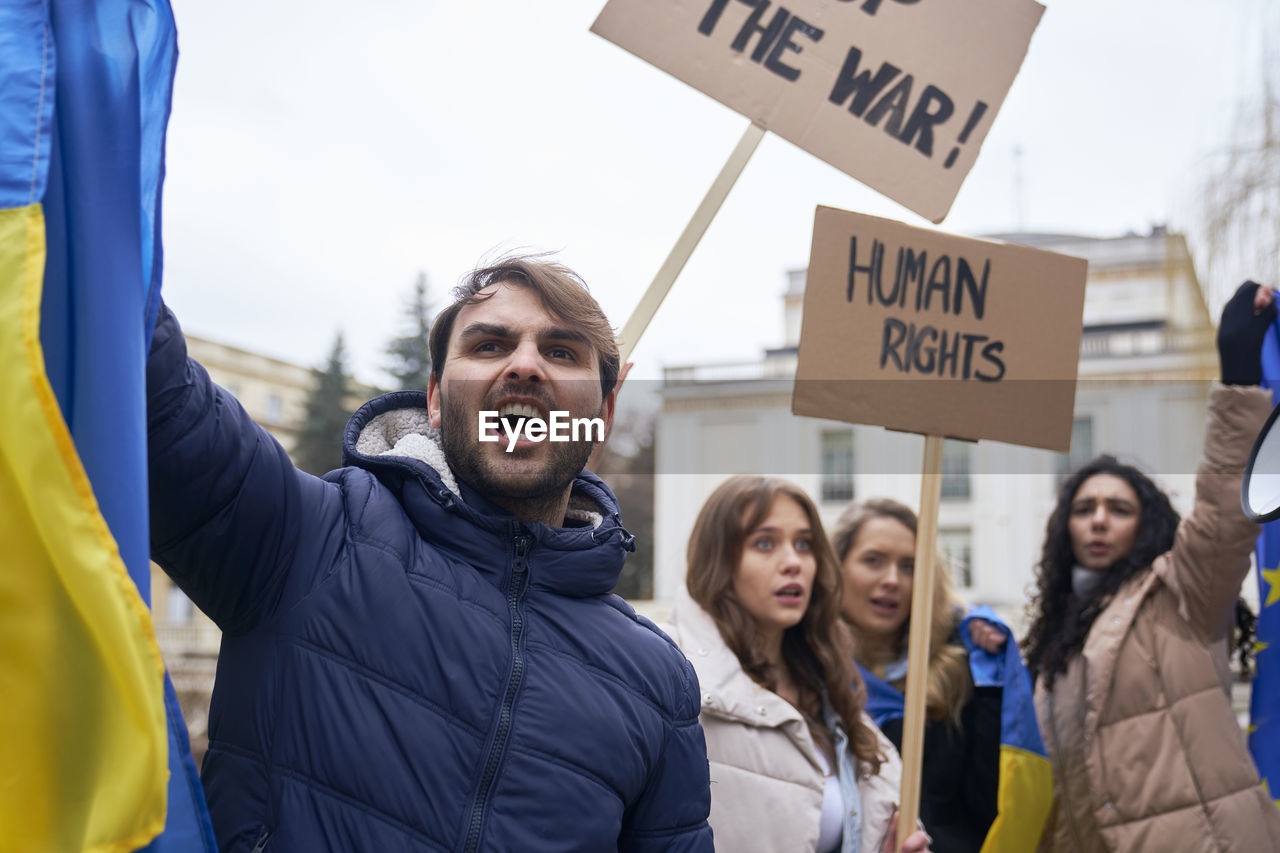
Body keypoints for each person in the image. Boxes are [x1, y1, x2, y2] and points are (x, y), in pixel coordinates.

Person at [147, 255, 713, 851]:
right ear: (438, 400)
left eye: (562, 352)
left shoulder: (656, 682)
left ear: (604, 414)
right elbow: (153, 393)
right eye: (490, 346)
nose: (525, 365)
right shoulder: (306, 538)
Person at [1022, 280, 1280, 852]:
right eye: (1084, 508)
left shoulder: (1181, 592)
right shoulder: (1047, 649)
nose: (1098, 520)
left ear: (1147, 524)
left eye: (1118, 508)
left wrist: (1237, 378)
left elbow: (1220, 512)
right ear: (1064, 527)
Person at [660, 476, 931, 853]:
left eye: (804, 544)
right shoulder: (667, 674)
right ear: (718, 559)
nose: (793, 562)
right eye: (765, 543)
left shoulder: (831, 691)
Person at [831, 498, 1047, 853]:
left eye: (910, 566)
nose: (892, 580)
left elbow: (987, 807)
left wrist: (990, 681)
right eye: (873, 561)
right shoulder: (804, 674)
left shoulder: (958, 670)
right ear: (836, 568)